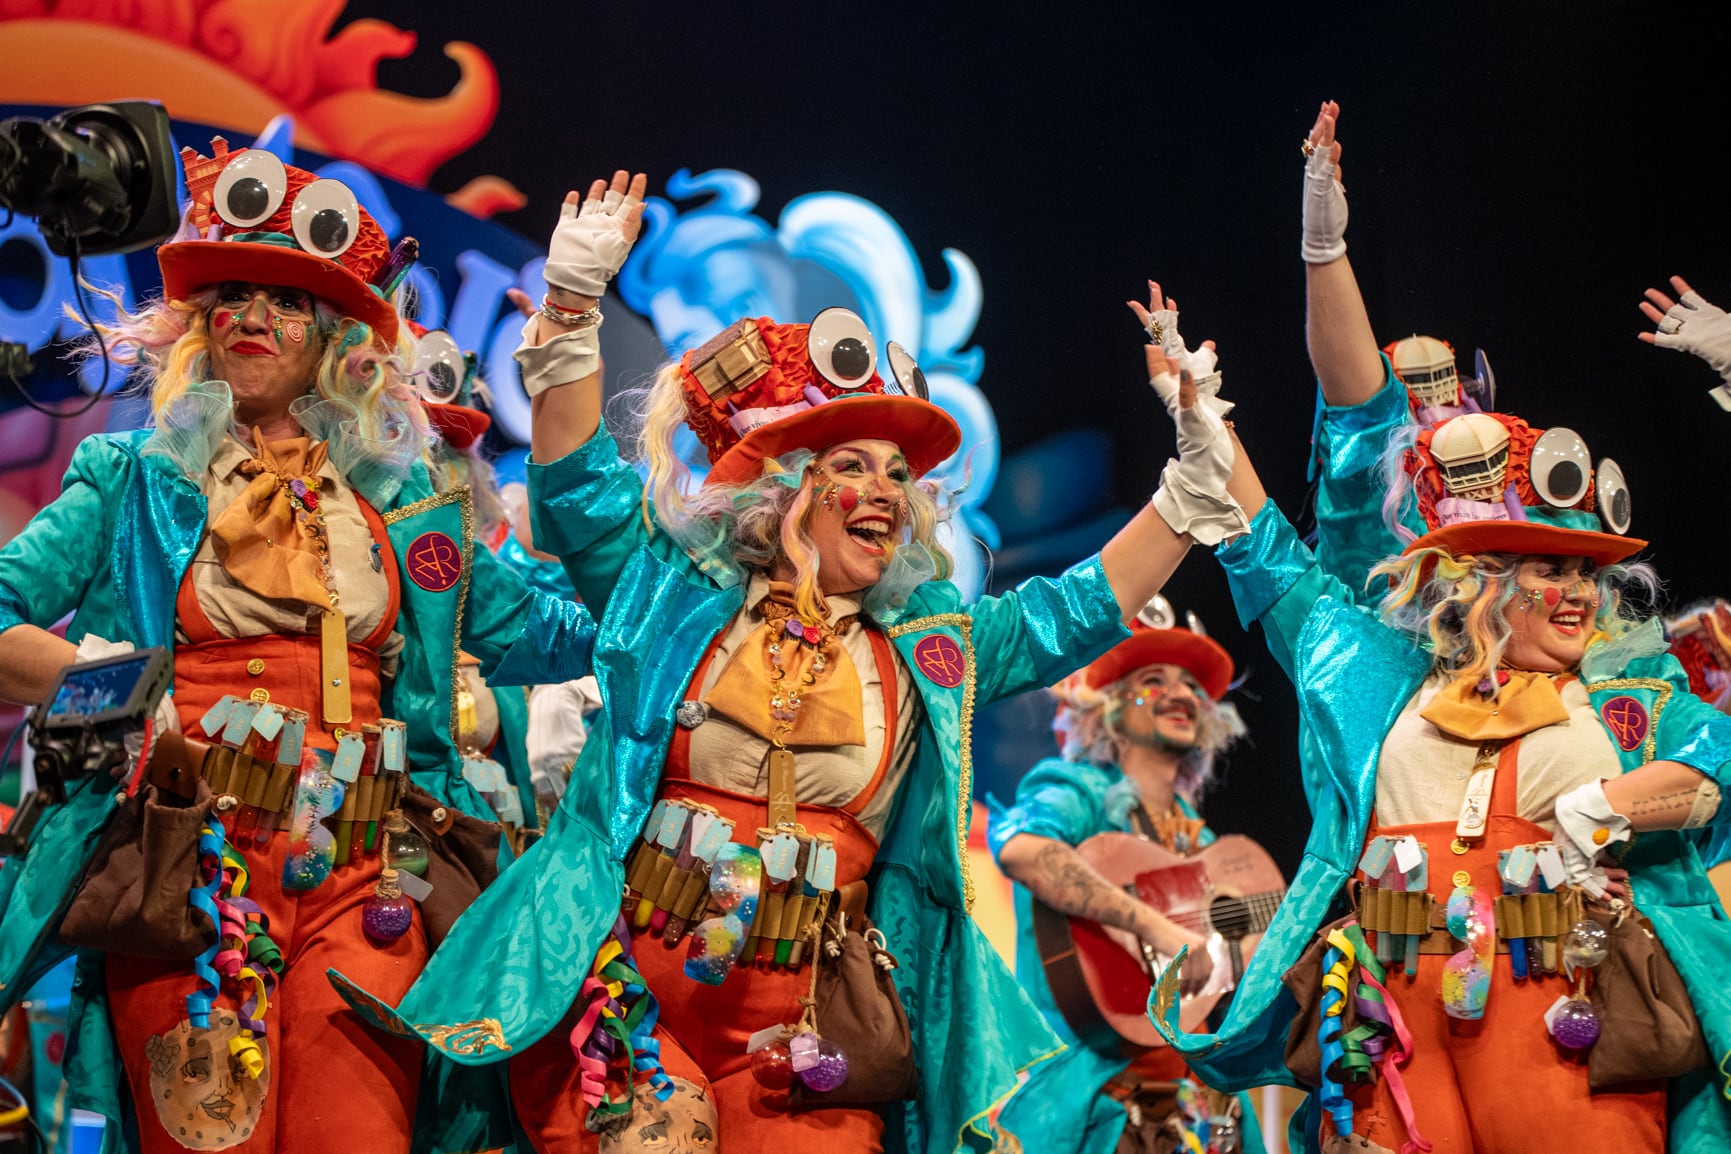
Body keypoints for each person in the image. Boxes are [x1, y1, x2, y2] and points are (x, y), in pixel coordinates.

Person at [330, 170, 1251, 1153]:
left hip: (813, 1023)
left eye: (899, 473)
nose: (885, 491)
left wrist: (1187, 491)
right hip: (629, 987)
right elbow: (577, 491)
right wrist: (569, 311)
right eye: (850, 463)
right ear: (779, 483)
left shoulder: (925, 647)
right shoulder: (673, 591)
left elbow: (1070, 612)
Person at [0, 141, 594, 1153]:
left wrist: (574, 354)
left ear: (336, 335)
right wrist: (128, 693)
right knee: (208, 1134)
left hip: (367, 867)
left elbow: (578, 630)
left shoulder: (411, 507)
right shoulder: (133, 477)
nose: (249, 318)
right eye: (228, 296)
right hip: (189, 859)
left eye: (285, 300)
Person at [1128, 317, 1731, 1149]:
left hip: (1559, 1008)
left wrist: (1605, 806)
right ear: (1482, 578)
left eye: (1587, 573)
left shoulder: (1624, 693)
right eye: (1550, 569)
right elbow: (1273, 562)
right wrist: (1203, 427)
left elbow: (1713, 765)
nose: (1579, 594)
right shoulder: (1384, 681)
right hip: (1390, 1017)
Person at [989, 598, 1263, 1154]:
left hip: (1199, 1107)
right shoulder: (1077, 793)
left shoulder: (1205, 843)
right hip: (1093, 1105)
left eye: (1191, 685)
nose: (1182, 694)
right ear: (1109, 705)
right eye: (1154, 680)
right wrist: (1158, 929)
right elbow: (1021, 848)